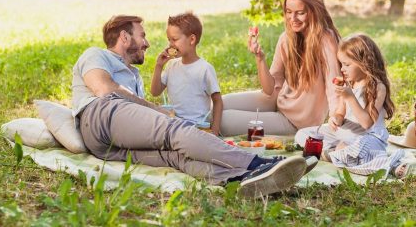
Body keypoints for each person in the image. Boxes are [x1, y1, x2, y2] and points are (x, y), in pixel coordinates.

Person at [71, 14, 312, 197]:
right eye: (141, 35)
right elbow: (104, 89)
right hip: (100, 115)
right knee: (175, 130)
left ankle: (242, 179)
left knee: (175, 156)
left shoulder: (133, 75)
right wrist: (158, 111)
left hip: (106, 146)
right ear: (124, 37)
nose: (147, 43)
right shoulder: (95, 54)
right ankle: (258, 164)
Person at [220, 0, 341, 136]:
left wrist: (336, 118)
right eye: (289, 11)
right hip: (277, 101)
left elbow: (335, 88)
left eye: (300, 12)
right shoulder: (287, 38)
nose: (293, 18)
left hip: (295, 123)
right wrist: (260, 58)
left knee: (222, 120)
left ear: (314, 11)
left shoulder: (327, 41)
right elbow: (269, 89)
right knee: (217, 105)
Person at [295, 34, 407, 177]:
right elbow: (340, 113)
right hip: (347, 134)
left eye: (347, 65)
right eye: (341, 64)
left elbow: (367, 123)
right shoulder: (349, 83)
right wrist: (335, 119)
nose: (342, 69)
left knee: (361, 148)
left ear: (364, 63)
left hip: (369, 137)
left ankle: (390, 164)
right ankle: (338, 153)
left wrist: (350, 97)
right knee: (303, 134)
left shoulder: (378, 87)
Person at [150, 12, 223, 135]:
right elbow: (155, 92)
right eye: (169, 40)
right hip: (174, 125)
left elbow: (218, 101)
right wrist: (159, 66)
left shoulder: (204, 69)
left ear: (192, 39)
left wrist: (215, 131)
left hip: (197, 127)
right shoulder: (171, 65)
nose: (170, 44)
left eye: (175, 39)